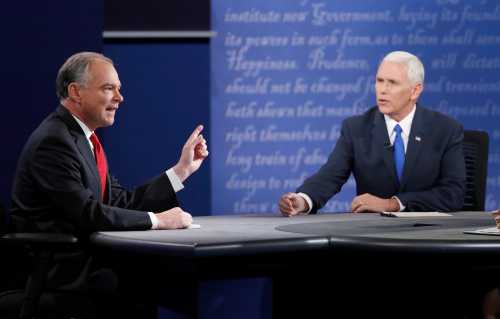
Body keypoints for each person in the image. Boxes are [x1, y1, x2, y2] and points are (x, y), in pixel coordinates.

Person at [8, 51, 209, 318]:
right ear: (76, 92)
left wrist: (180, 171)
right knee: (146, 279)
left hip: (89, 260)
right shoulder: (54, 142)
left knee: (161, 276)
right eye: (108, 88)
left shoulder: (83, 138)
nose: (119, 97)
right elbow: (87, 213)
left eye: (119, 89)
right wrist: (158, 221)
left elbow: (118, 202)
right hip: (62, 271)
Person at [279, 51, 465, 216]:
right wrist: (302, 200)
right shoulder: (356, 128)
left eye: (392, 83)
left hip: (430, 236)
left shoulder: (445, 130)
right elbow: (330, 176)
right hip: (374, 234)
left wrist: (393, 204)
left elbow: (453, 194)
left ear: (415, 91)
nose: (382, 90)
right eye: (379, 81)